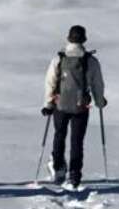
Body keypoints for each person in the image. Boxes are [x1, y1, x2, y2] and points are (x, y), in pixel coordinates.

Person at [42, 25, 106, 189]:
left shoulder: (59, 59)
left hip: (60, 104)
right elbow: (97, 84)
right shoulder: (90, 61)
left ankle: (58, 168)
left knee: (59, 135)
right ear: (84, 40)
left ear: (68, 38)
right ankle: (75, 176)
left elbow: (51, 82)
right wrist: (100, 102)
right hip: (81, 106)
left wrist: (48, 104)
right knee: (77, 141)